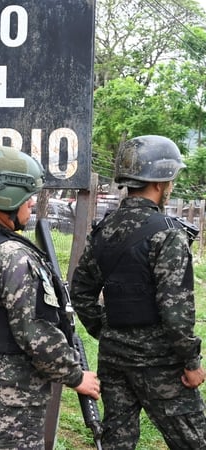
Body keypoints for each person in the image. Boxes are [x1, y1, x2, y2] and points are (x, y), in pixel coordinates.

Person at [0, 146, 100, 449]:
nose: (32, 202)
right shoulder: (13, 256)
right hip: (11, 394)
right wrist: (75, 376)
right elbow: (36, 333)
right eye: (26, 196)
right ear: (3, 199)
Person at [70, 135, 206, 449]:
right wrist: (191, 363)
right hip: (160, 362)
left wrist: (105, 328)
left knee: (118, 441)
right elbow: (176, 311)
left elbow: (80, 290)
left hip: (115, 358)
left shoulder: (105, 229)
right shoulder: (167, 234)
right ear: (162, 182)